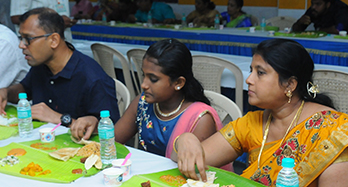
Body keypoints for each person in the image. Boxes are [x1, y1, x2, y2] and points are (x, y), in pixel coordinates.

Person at [173, 39, 348, 187]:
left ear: (290, 85)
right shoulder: (253, 123)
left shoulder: (332, 132)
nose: (249, 80)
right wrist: (185, 139)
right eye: (251, 71)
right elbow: (191, 163)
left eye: (260, 73)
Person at [73, 39, 230, 167]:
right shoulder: (143, 103)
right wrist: (94, 123)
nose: (144, 84)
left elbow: (194, 171)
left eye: (153, 79)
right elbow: (113, 142)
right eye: (144, 76)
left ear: (178, 83)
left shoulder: (200, 119)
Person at [0, 7, 119, 137]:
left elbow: (112, 134)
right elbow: (25, 88)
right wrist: (5, 92)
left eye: (28, 39)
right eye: (20, 38)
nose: (21, 45)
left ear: (54, 40)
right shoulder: (42, 65)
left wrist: (60, 119)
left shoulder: (92, 78)